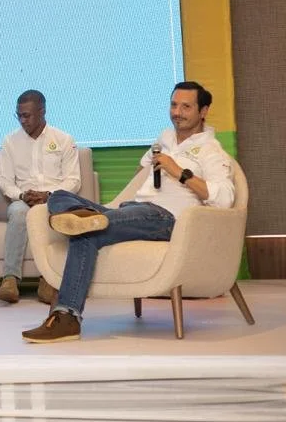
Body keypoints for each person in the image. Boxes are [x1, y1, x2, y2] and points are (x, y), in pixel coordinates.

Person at [22, 81, 235, 343]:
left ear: (203, 111)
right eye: (173, 105)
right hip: (133, 210)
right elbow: (141, 170)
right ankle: (82, 217)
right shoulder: (165, 138)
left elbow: (224, 198)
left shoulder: (210, 150)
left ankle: (67, 316)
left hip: (164, 218)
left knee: (87, 231)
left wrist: (179, 172)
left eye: (186, 107)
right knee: (58, 197)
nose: (177, 112)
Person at [0, 90, 80, 304]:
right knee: (17, 212)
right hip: (24, 199)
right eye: (19, 115)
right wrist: (22, 194)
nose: (22, 120)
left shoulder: (63, 139)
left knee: (57, 214)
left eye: (27, 115)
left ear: (42, 111)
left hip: (55, 198)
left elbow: (74, 180)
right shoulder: (10, 141)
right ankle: (10, 280)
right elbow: (4, 180)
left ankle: (49, 282)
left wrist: (49, 195)